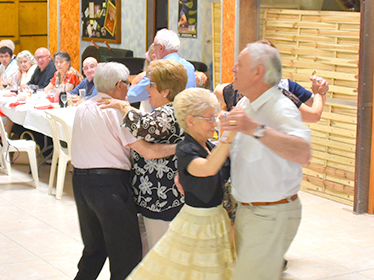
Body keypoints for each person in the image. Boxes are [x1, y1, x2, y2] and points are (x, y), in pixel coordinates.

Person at [221, 42, 310, 280]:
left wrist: (255, 129)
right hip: (248, 211)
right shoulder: (244, 103)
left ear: (258, 72)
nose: (233, 69)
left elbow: (303, 153)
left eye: (239, 64)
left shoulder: (281, 108)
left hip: (271, 214)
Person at [127, 88, 236, 279]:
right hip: (198, 222)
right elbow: (209, 168)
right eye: (209, 118)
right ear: (191, 120)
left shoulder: (209, 146)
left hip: (216, 219)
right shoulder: (186, 149)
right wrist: (229, 136)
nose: (215, 123)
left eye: (215, 117)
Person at [69, 62, 152, 280]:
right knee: (126, 254)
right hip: (110, 186)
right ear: (118, 85)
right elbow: (146, 151)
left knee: (94, 250)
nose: (129, 89)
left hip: (80, 183)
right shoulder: (115, 111)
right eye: (128, 84)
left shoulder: (83, 107)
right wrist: (179, 147)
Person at [102, 59, 188, 249]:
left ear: (165, 91)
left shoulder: (170, 112)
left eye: (151, 85)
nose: (147, 89)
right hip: (154, 196)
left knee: (160, 256)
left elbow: (145, 126)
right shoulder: (168, 110)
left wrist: (121, 106)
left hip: (163, 198)